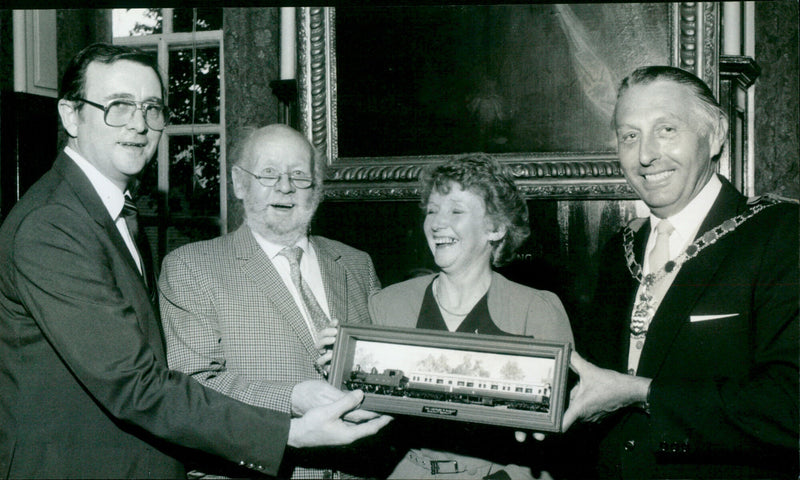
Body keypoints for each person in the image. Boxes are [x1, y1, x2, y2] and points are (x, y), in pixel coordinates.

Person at [0, 43, 390, 479]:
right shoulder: (54, 226)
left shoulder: (111, 213)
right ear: (71, 115)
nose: (139, 125)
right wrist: (288, 432)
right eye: (118, 106)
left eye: (152, 108)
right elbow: (136, 385)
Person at [564, 66, 799, 479]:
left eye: (666, 129)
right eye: (629, 136)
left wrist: (643, 394)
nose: (645, 155)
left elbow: (790, 406)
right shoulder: (619, 253)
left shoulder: (780, 234)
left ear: (716, 135)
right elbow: (596, 390)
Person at [159, 123, 396, 478]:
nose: (285, 186)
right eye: (268, 173)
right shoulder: (192, 266)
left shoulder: (356, 264)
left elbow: (386, 369)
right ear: (240, 183)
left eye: (299, 175)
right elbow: (195, 386)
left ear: (315, 189)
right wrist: (292, 397)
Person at [369, 153, 574, 479]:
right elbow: (368, 416)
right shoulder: (388, 305)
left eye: (456, 211)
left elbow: (562, 438)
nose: (436, 222)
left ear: (494, 228)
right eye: (432, 210)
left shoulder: (536, 310)